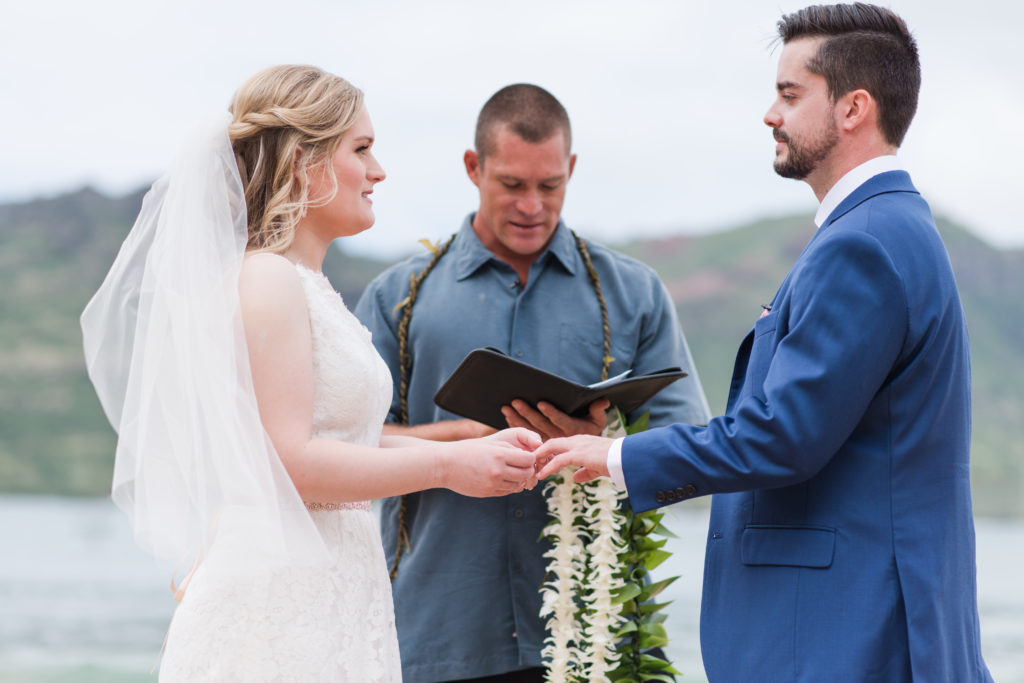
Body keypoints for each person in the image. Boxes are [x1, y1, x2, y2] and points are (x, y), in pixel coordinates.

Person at [535, 4, 993, 681]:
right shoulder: (887, 230)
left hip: (848, 635)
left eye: (788, 93)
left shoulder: (862, 246)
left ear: (852, 108)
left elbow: (782, 435)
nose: (769, 114)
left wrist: (615, 456)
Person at [81, 65, 542, 682]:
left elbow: (320, 436)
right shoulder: (268, 279)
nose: (379, 170)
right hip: (279, 603)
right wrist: (448, 469)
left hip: (332, 586)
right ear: (303, 162)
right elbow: (288, 463)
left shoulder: (304, 286)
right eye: (362, 148)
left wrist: (456, 438)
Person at [354, 84, 710, 682]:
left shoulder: (637, 292)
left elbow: (692, 451)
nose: (532, 206)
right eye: (512, 185)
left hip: (599, 636)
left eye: (550, 186)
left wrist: (604, 441)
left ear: (570, 169)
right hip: (439, 633)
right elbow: (349, 446)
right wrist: (459, 440)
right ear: (474, 168)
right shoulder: (395, 299)